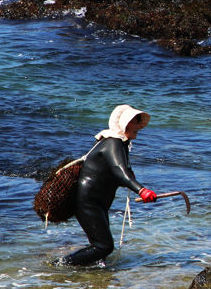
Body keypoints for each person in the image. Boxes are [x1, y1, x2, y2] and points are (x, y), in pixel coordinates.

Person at [62, 104, 157, 266]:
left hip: (97, 203)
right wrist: (142, 190)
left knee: (100, 254)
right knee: (103, 246)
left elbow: (119, 175)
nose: (137, 126)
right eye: (134, 122)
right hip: (88, 202)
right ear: (123, 124)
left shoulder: (120, 144)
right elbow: (120, 171)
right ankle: (62, 265)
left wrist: (130, 180)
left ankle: (97, 281)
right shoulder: (113, 143)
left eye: (138, 122)